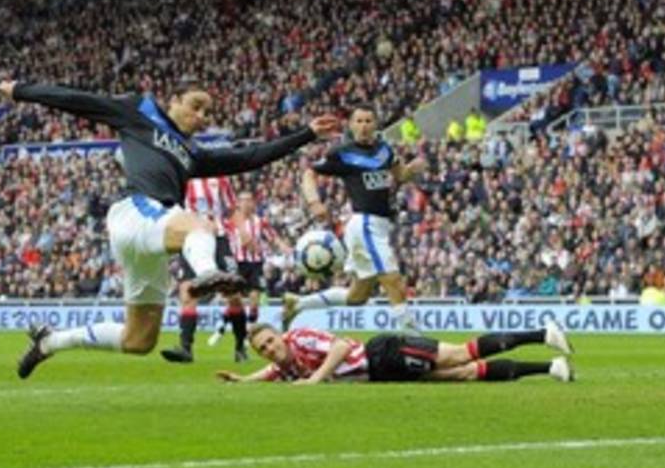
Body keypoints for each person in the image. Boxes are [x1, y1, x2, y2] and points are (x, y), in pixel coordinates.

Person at [0, 78, 339, 379]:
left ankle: (50, 342)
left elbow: (251, 156)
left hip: (152, 235)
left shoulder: (192, 153)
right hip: (135, 211)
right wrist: (22, 90)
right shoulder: (139, 111)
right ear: (173, 100)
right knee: (200, 225)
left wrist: (306, 134)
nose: (201, 116)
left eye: (207, 112)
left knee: (139, 340)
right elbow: (79, 100)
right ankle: (208, 274)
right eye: (195, 106)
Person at [281, 104, 426, 333]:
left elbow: (400, 175)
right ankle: (413, 335)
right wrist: (314, 202)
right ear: (351, 125)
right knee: (393, 280)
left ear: (375, 124)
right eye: (359, 121)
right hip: (365, 223)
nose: (364, 126)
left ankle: (298, 304)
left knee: (357, 297)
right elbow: (309, 173)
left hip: (381, 225)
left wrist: (412, 169)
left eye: (368, 121)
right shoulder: (343, 152)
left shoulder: (384, 150)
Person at [215, 320, 574, 384]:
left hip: (383, 354)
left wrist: (317, 379)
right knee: (463, 374)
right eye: (263, 349)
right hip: (383, 375)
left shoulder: (300, 338)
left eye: (270, 341)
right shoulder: (285, 366)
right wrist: (243, 381)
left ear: (280, 336)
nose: (269, 349)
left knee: (459, 355)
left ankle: (543, 333)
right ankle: (551, 368)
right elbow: (272, 372)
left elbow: (340, 346)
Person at [160, 175, 247, 364]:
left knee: (233, 295)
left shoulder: (220, 178)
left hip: (219, 239)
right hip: (191, 239)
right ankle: (185, 348)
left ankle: (240, 346)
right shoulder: (181, 179)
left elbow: (232, 208)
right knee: (187, 293)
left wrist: (243, 231)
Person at [205, 191, 292, 353]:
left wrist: (284, 247)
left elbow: (273, 237)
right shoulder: (230, 222)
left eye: (249, 200)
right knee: (234, 300)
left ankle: (246, 335)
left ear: (253, 203)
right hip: (236, 264)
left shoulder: (260, 222)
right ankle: (221, 327)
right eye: (242, 200)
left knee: (254, 300)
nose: (246, 204)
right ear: (238, 203)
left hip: (256, 264)